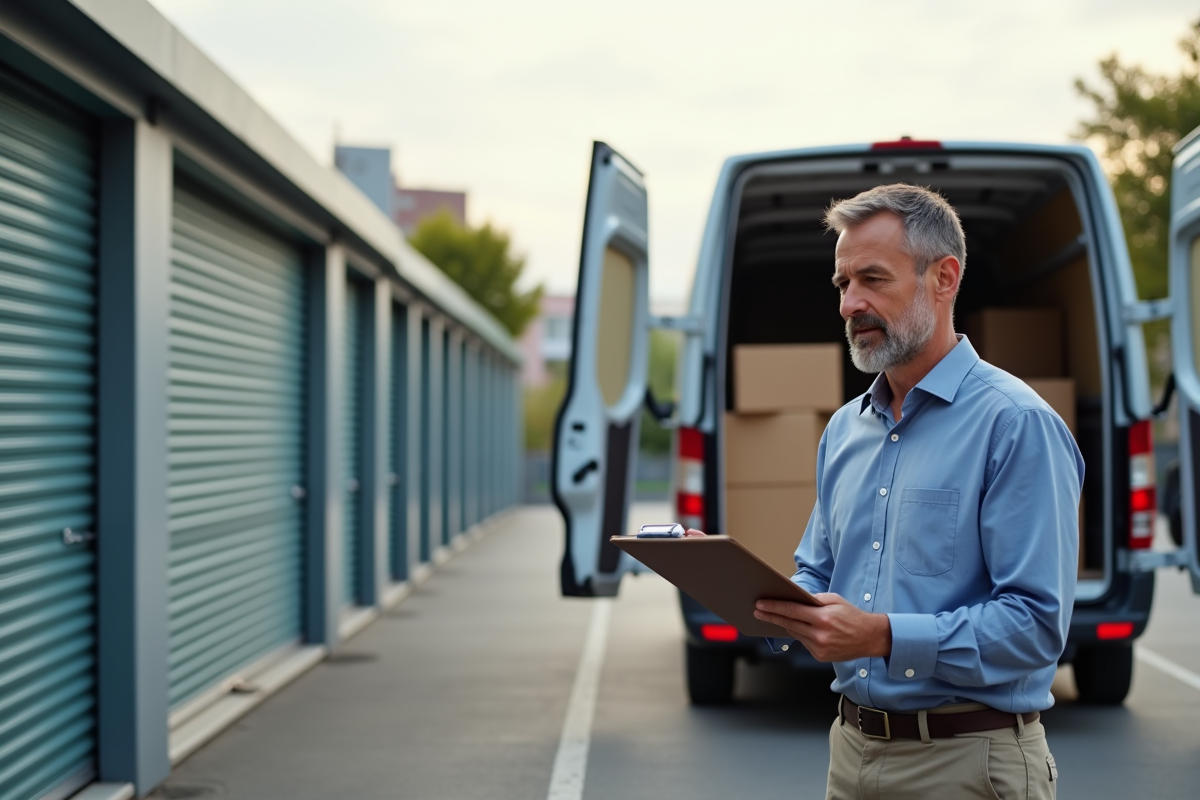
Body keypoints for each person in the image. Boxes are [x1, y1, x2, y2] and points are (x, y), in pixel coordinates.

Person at [687, 184, 1082, 799]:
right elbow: (817, 576)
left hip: (969, 764)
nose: (851, 304)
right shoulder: (845, 429)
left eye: (873, 279)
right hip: (851, 756)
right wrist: (736, 589)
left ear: (944, 278)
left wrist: (882, 636)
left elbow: (1034, 627)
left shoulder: (1014, 424)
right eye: (843, 285)